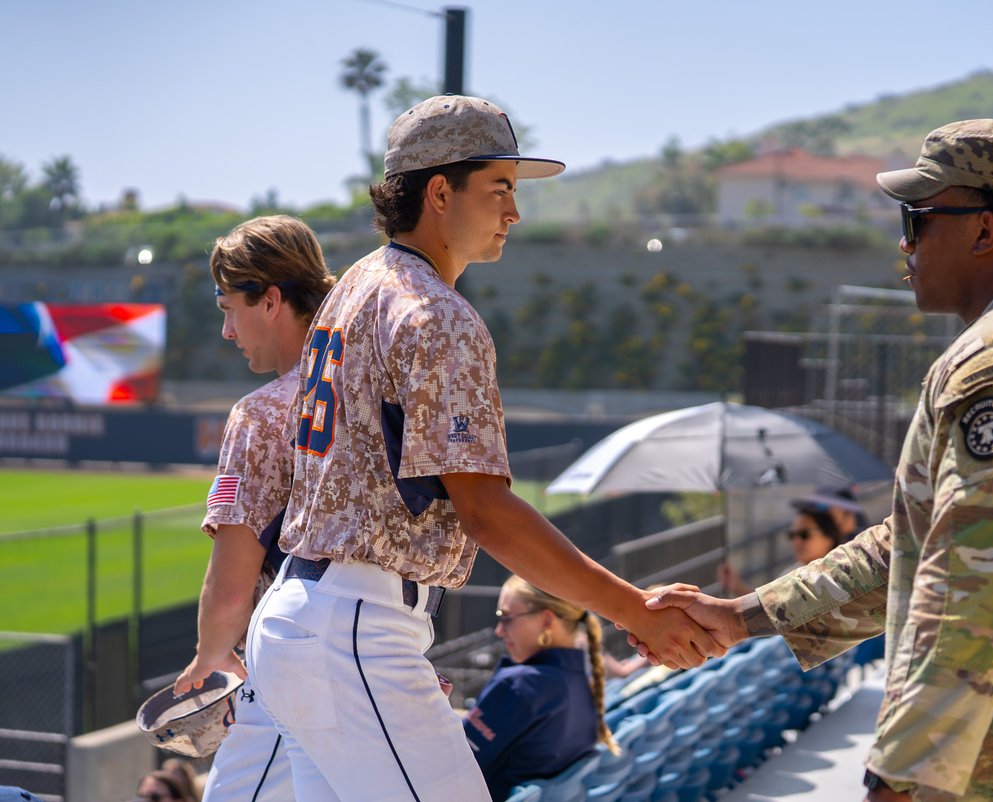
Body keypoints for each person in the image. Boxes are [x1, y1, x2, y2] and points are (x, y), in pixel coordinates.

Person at [644, 120, 993, 801]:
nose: (905, 244)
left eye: (918, 218)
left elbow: (973, 581)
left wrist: (903, 774)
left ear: (984, 231)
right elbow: (924, 544)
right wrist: (747, 615)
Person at [245, 95, 721, 801]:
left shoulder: (354, 288)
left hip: (303, 617)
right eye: (500, 187)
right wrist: (630, 609)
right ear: (440, 191)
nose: (514, 212)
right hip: (353, 623)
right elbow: (487, 513)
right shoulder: (436, 313)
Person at [171, 215, 336, 801]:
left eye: (227, 307)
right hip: (385, 643)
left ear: (270, 299)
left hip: (293, 659)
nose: (225, 329)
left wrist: (210, 656)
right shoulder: (376, 388)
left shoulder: (262, 412)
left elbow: (234, 571)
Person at [464, 576, 618, 800]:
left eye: (506, 618)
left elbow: (451, 766)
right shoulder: (585, 682)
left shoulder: (518, 687)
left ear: (546, 621)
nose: (499, 630)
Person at [717, 494, 847, 596]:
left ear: (828, 537)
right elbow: (769, 606)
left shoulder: (842, 575)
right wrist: (737, 587)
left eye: (804, 534)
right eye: (792, 535)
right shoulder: (794, 572)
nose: (796, 541)